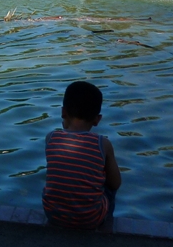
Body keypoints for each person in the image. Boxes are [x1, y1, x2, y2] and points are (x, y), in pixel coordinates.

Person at [42, 81, 121, 229]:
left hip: (52, 215)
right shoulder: (102, 143)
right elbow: (115, 183)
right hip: (90, 220)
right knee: (109, 189)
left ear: (63, 112)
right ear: (97, 119)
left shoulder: (50, 138)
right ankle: (106, 226)